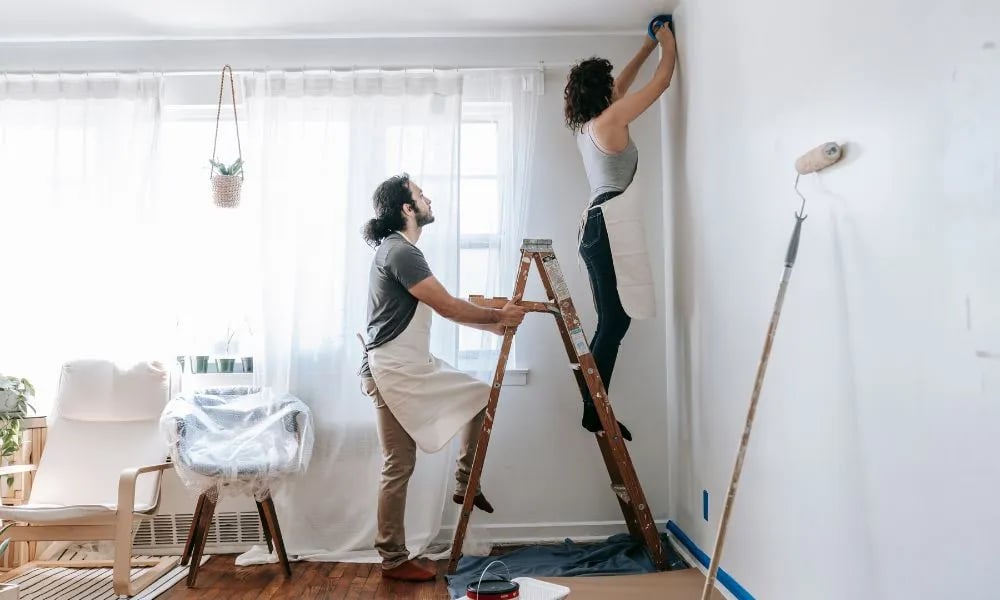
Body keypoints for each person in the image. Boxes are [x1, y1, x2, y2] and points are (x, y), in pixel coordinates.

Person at [358, 173, 527, 582]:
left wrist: (493, 326)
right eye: (419, 195)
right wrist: (498, 318)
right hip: (395, 368)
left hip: (405, 363)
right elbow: (448, 306)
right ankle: (393, 559)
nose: (427, 199)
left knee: (478, 396)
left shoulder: (396, 250)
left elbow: (442, 308)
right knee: (398, 464)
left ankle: (466, 477)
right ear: (406, 208)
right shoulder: (401, 252)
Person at [563, 22, 677, 441]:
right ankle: (593, 405)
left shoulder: (590, 126)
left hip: (595, 225)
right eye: (610, 84)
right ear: (603, 92)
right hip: (606, 223)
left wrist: (646, 46)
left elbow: (622, 86)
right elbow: (662, 83)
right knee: (614, 320)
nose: (617, 87)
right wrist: (666, 42)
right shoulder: (610, 119)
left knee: (612, 319)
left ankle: (593, 400)